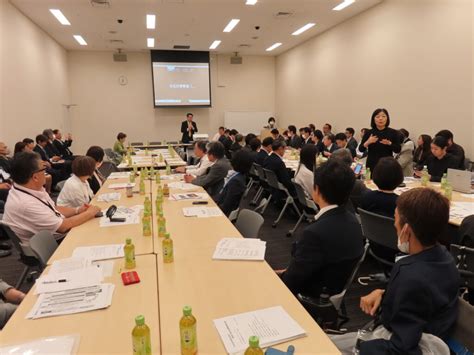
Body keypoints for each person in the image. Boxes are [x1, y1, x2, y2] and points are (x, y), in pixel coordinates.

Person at [331, 188, 460, 355]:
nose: (393, 224)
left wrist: (360, 348)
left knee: (320, 345)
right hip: (423, 336)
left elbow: (400, 349)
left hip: (400, 344)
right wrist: (385, 294)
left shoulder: (411, 276)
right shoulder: (445, 259)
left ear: (406, 230)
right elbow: (424, 301)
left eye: (395, 220)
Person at [277, 160, 364, 298]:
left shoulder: (315, 233)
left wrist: (282, 275)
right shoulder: (355, 221)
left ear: (316, 189)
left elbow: (291, 282)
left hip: (311, 294)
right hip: (333, 288)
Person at [2, 152, 100, 245]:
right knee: (96, 234)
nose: (46, 172)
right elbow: (63, 227)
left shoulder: (29, 188)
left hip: (53, 235)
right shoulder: (26, 203)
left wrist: (78, 210)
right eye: (44, 169)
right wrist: (90, 213)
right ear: (35, 177)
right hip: (51, 244)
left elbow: (53, 208)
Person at [216, 150, 254, 216]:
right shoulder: (239, 176)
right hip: (220, 206)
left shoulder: (236, 181)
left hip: (223, 214)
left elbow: (226, 206)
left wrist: (212, 208)